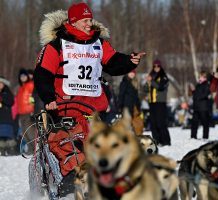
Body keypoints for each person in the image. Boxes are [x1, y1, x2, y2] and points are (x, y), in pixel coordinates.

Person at [33, 2, 145, 197]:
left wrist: (129, 61)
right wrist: (49, 98)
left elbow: (112, 62)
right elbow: (42, 75)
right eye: (85, 20)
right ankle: (70, 185)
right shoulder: (55, 46)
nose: (89, 24)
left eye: (90, 20)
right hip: (64, 111)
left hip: (92, 111)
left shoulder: (98, 43)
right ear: (73, 22)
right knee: (68, 149)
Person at [144, 59, 171, 146]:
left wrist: (151, 81)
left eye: (158, 66)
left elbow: (160, 87)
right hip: (152, 103)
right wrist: (147, 82)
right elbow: (145, 89)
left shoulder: (164, 76)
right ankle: (157, 141)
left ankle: (166, 141)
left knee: (161, 123)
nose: (156, 68)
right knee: (153, 123)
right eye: (154, 66)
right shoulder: (151, 75)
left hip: (160, 102)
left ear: (160, 67)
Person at [118, 69, 143, 135]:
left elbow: (137, 97)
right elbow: (121, 94)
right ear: (127, 73)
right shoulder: (124, 82)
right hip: (126, 106)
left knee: (136, 124)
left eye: (133, 73)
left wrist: (139, 107)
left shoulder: (135, 82)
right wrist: (120, 106)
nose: (132, 74)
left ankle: (134, 138)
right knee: (126, 124)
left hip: (134, 108)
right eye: (130, 72)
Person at [190, 71, 211, 140]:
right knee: (194, 122)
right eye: (199, 76)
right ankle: (193, 136)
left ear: (205, 77)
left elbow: (205, 94)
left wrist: (197, 96)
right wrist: (193, 91)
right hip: (196, 107)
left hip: (203, 107)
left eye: (201, 76)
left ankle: (205, 137)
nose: (199, 78)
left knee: (205, 123)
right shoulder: (198, 85)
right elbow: (196, 95)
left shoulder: (207, 84)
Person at [0, 76, 16, 155]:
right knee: (1, 136)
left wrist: (2, 98)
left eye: (1, 83)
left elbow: (11, 102)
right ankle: (2, 151)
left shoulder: (7, 92)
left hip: (7, 118)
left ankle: (11, 151)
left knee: (8, 135)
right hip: (0, 118)